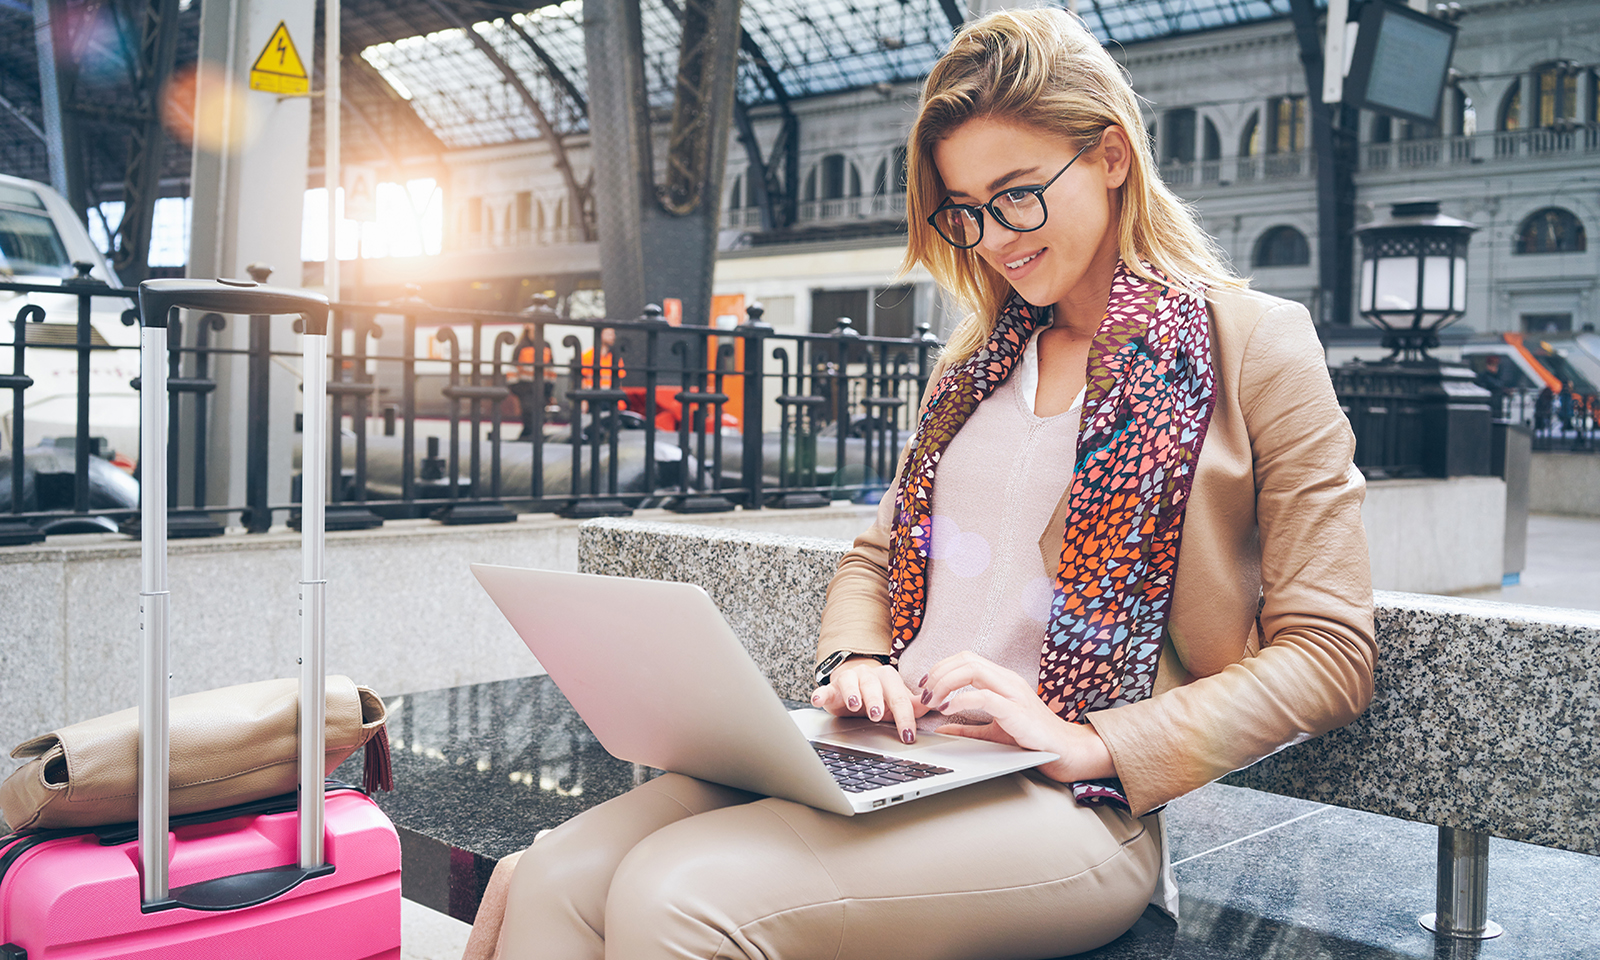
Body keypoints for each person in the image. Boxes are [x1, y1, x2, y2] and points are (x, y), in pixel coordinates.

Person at [468, 10, 1374, 959]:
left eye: (1018, 194)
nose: (992, 238)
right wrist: (853, 664)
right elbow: (879, 556)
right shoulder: (974, 365)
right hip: (892, 755)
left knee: (677, 893)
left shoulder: (1255, 346)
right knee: (564, 872)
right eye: (966, 208)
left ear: (1112, 155)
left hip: (1070, 802)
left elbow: (1331, 653)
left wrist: (1094, 742)